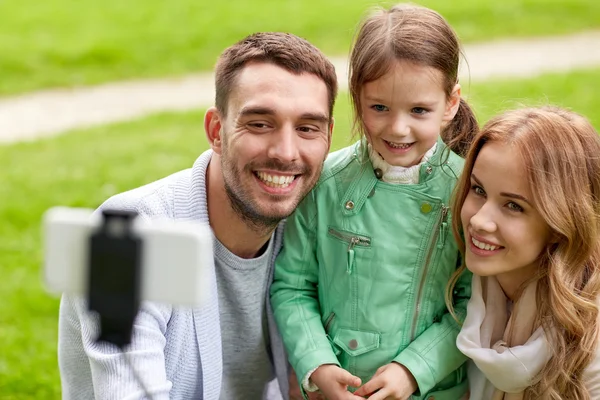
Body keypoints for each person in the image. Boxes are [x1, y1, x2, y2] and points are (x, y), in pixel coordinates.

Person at [58, 32, 338, 400]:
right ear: (216, 131)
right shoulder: (121, 236)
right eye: (259, 123)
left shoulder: (318, 223)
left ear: (328, 138)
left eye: (306, 129)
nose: (286, 152)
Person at [270, 4, 478, 400]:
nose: (397, 128)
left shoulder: (468, 190)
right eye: (379, 107)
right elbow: (293, 286)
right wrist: (319, 364)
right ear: (358, 98)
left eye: (419, 110)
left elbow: (474, 303)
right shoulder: (326, 184)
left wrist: (413, 369)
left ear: (450, 103)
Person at [448, 106, 600, 399]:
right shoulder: (456, 288)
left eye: (513, 206)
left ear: (561, 224)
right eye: (478, 190)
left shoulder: (590, 339)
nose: (478, 220)